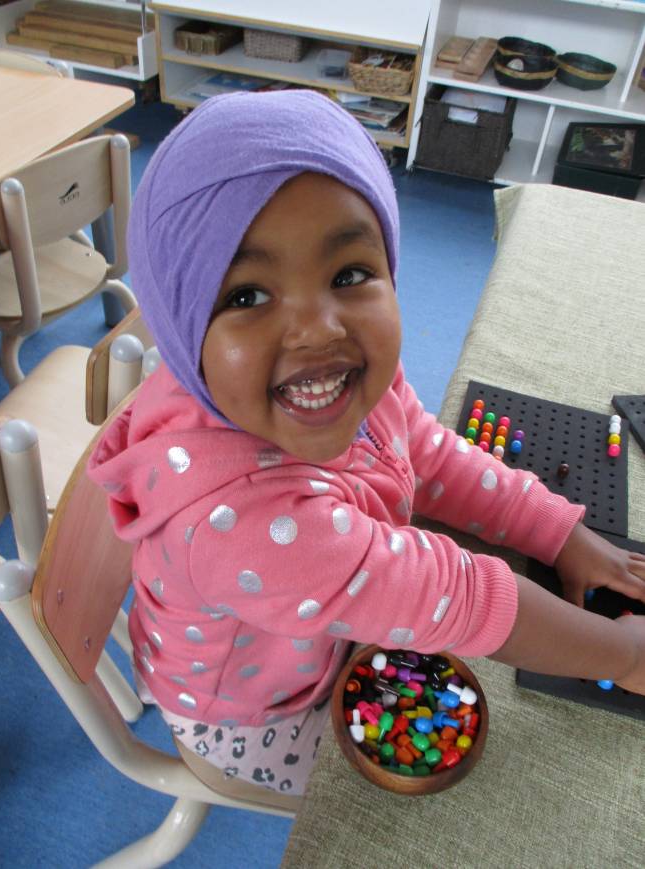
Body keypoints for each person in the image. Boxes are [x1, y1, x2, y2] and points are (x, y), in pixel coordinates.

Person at [88, 90, 645, 796]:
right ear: (181, 325)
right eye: (247, 296)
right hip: (254, 714)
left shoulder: (337, 380)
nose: (320, 328)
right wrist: (624, 653)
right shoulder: (238, 524)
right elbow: (453, 597)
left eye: (349, 275)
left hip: (310, 622)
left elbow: (429, 454)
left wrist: (558, 532)